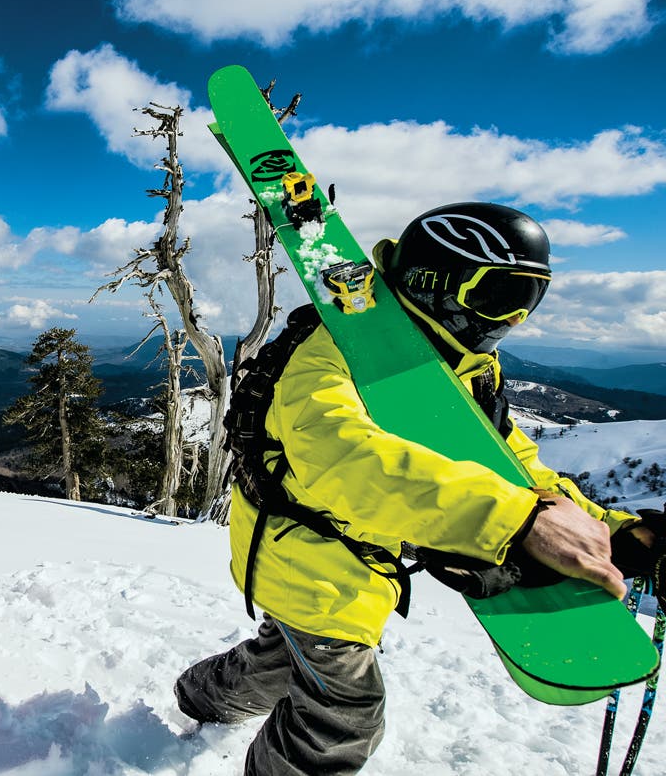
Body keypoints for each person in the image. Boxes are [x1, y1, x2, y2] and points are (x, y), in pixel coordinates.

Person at [174, 203, 666, 775]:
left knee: (287, 654)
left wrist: (609, 528)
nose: (513, 318)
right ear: (433, 283)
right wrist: (517, 522)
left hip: (354, 550)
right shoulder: (328, 353)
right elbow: (346, 460)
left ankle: (203, 696)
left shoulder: (460, 367)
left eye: (530, 299)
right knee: (344, 712)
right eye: (497, 295)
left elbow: (511, 467)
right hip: (303, 554)